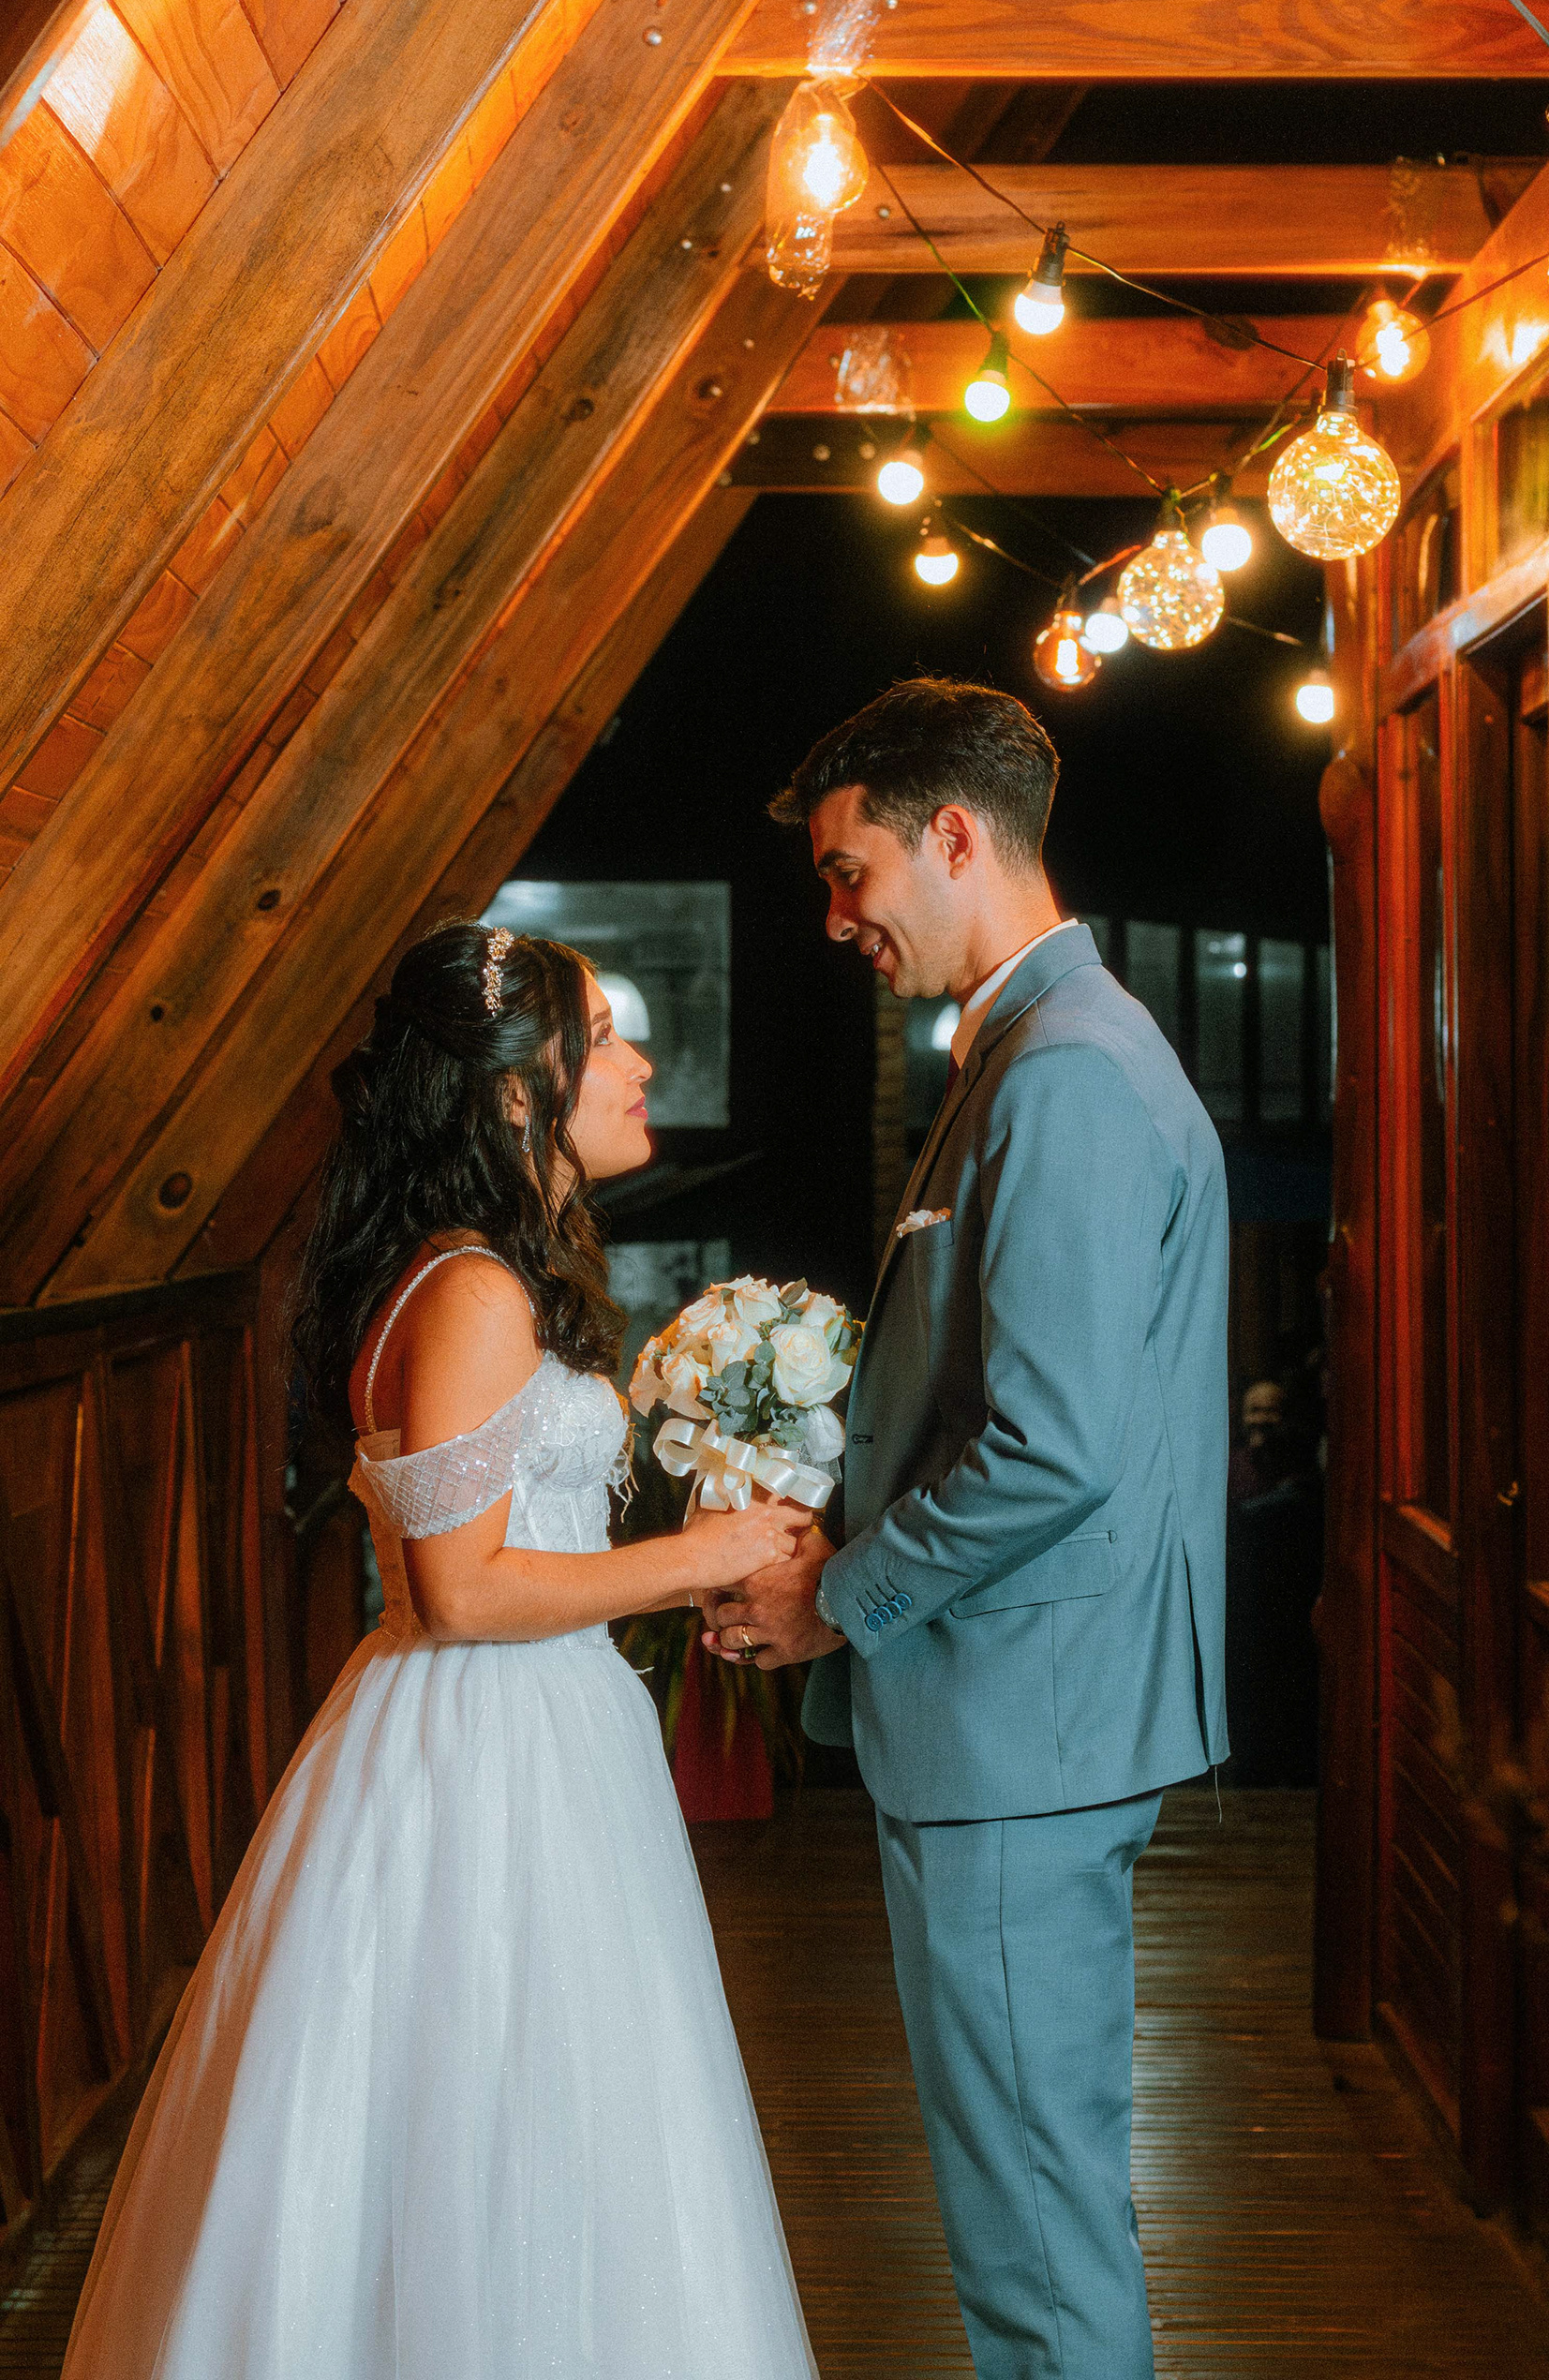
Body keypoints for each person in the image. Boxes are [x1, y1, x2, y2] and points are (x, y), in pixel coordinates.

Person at [61, 920, 819, 2380]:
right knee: (500, 2096)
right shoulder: (472, 1287)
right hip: (491, 1741)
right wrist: (705, 1557)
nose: (642, 1065)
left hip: (511, 1721)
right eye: (609, 1036)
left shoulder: (474, 1271)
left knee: (526, 2099)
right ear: (521, 1089)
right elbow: (461, 1590)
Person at [705, 678, 1229, 2380]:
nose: (836, 919)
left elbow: (1051, 1450)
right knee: (1029, 2207)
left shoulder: (1064, 1073)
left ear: (952, 836)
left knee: (1033, 2236)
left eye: (848, 873)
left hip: (1022, 1722)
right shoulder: (1031, 1049)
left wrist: (838, 1597)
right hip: (1020, 1716)